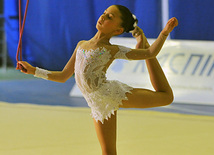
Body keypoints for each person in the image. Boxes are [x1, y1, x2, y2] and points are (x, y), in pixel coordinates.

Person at [16, 5, 178, 155]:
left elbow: (150, 53)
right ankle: (141, 42)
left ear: (118, 29)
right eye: (104, 13)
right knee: (108, 152)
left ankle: (142, 42)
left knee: (166, 97)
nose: (103, 17)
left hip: (110, 94)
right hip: (97, 103)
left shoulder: (111, 49)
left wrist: (164, 33)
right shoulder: (81, 45)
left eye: (110, 17)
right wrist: (34, 70)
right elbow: (63, 76)